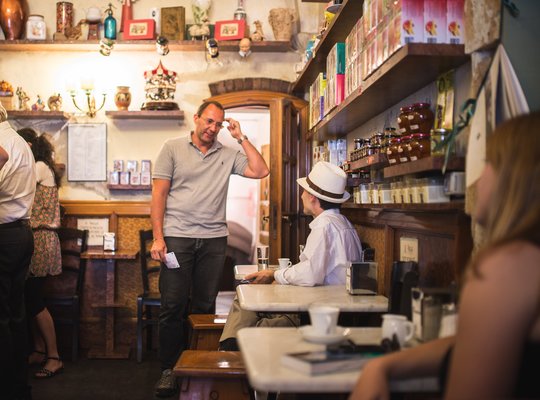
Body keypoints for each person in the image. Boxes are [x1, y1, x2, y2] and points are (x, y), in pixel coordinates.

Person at [349, 111, 540, 400]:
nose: (476, 178)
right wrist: (385, 365)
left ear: (515, 179)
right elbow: (471, 344)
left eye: (488, 162)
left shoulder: (509, 268)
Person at [150, 100, 269, 397]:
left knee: (204, 307)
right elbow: (158, 195)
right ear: (197, 118)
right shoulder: (172, 148)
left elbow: (260, 170)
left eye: (219, 124)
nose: (213, 128)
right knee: (173, 305)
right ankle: (169, 368)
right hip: (177, 238)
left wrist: (241, 137)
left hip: (214, 240)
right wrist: (158, 237)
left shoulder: (228, 154)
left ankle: (196, 365)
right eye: (209, 121)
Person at [219, 161, 363, 350]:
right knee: (248, 297)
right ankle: (229, 349)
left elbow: (311, 274)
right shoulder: (343, 223)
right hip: (325, 307)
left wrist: (274, 274)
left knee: (247, 311)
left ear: (312, 197)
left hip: (316, 315)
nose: (301, 195)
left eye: (304, 191)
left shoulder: (324, 226)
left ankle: (229, 352)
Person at [17, 128, 64, 379]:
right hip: (35, 238)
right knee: (28, 298)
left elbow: (15, 181)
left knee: (34, 299)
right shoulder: (39, 165)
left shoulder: (39, 167)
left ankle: (54, 356)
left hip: (41, 239)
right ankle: (38, 349)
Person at [0, 103, 36, 400]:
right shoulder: (20, 142)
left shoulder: (4, 145)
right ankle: (19, 386)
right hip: (22, 231)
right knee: (16, 315)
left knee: (3, 318)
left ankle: (8, 388)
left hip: (4, 234)